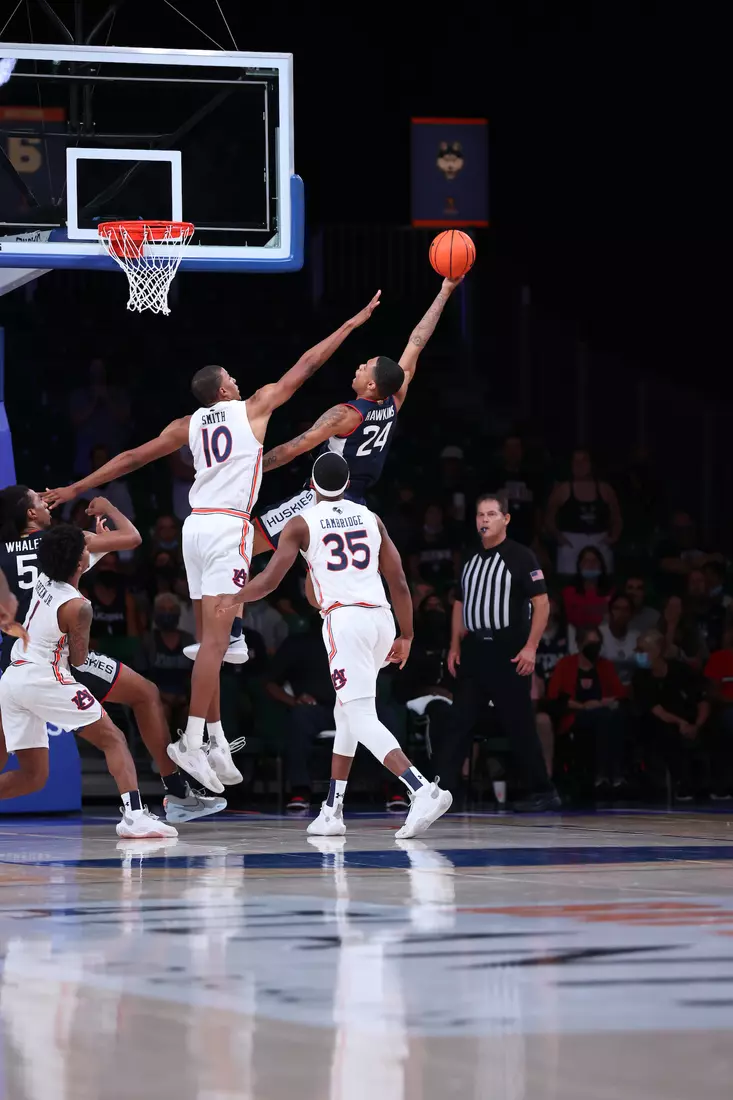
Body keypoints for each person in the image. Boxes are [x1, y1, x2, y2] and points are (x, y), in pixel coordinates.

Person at [42, 294, 382, 792]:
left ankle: (218, 739)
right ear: (224, 387)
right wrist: (352, 322)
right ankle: (192, 739)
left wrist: (75, 487)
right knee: (217, 645)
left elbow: (132, 458)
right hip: (227, 529)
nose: (239, 382)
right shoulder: (252, 408)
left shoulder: (187, 424)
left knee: (211, 643)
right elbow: (306, 366)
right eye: (233, 378)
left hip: (193, 527)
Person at [218, 452, 452, 839]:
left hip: (346, 621)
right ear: (345, 485)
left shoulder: (301, 523)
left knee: (361, 716)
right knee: (347, 712)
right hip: (381, 618)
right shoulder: (371, 518)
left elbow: (271, 581)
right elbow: (400, 583)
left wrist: (232, 597)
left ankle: (422, 788)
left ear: (312, 485)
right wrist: (407, 635)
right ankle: (331, 809)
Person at [0, 486, 225, 823]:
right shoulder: (66, 541)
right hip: (58, 658)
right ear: (30, 514)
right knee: (146, 695)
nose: (46, 501)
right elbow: (132, 538)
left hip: (14, 662)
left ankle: (177, 796)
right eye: (38, 499)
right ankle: (178, 796)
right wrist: (107, 508)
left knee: (28, 772)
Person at [255, 276, 462, 551]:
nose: (361, 365)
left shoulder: (345, 414)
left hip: (320, 499)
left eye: (366, 366)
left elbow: (293, 449)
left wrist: (252, 468)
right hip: (357, 505)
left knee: (247, 544)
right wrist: (444, 292)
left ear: (372, 384)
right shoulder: (394, 401)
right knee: (322, 582)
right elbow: (417, 342)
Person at [0, 524, 177, 839]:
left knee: (33, 777)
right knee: (113, 738)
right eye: (85, 548)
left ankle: (136, 816)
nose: (89, 548)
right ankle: (135, 816)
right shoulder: (78, 605)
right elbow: (80, 661)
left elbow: (78, 553)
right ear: (78, 563)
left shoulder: (44, 574)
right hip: (45, 676)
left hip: (13, 676)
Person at [436, 492, 560, 812]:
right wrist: (454, 645)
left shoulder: (521, 556)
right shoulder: (468, 555)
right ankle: (444, 794)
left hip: (509, 648)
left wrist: (531, 647)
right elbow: (459, 603)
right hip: (475, 648)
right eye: (480, 515)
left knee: (519, 724)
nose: (485, 520)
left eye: (492, 514)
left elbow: (542, 603)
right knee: (458, 721)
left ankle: (543, 791)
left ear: (505, 519)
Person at [632, 628, 711, 801]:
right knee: (665, 733)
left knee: (714, 729)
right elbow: (656, 709)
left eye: (641, 650)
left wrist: (697, 724)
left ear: (658, 650)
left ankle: (712, 783)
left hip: (692, 719)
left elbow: (702, 701)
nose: (637, 654)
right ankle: (683, 783)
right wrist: (681, 723)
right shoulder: (640, 677)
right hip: (664, 721)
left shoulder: (681, 670)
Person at [547, 625, 627, 794]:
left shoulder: (605, 666)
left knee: (612, 716)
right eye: (590, 643)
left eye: (598, 643)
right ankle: (603, 775)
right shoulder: (566, 664)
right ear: (579, 643)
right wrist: (584, 706)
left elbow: (620, 694)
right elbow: (555, 697)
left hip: (602, 713)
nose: (594, 647)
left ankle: (614, 775)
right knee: (602, 716)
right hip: (575, 717)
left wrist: (602, 702)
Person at [545, 448, 622, 574]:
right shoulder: (562, 489)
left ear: (591, 464)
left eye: (583, 461)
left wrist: (613, 537)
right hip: (571, 541)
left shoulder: (605, 489)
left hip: (600, 540)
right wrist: (559, 537)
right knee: (568, 581)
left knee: (602, 582)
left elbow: (617, 517)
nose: (579, 465)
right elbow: (549, 518)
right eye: (576, 461)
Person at [562, 545, 614, 630]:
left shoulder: (611, 592)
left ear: (601, 565)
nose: (591, 565)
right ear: (579, 565)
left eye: (595, 561)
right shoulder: (569, 592)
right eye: (586, 561)